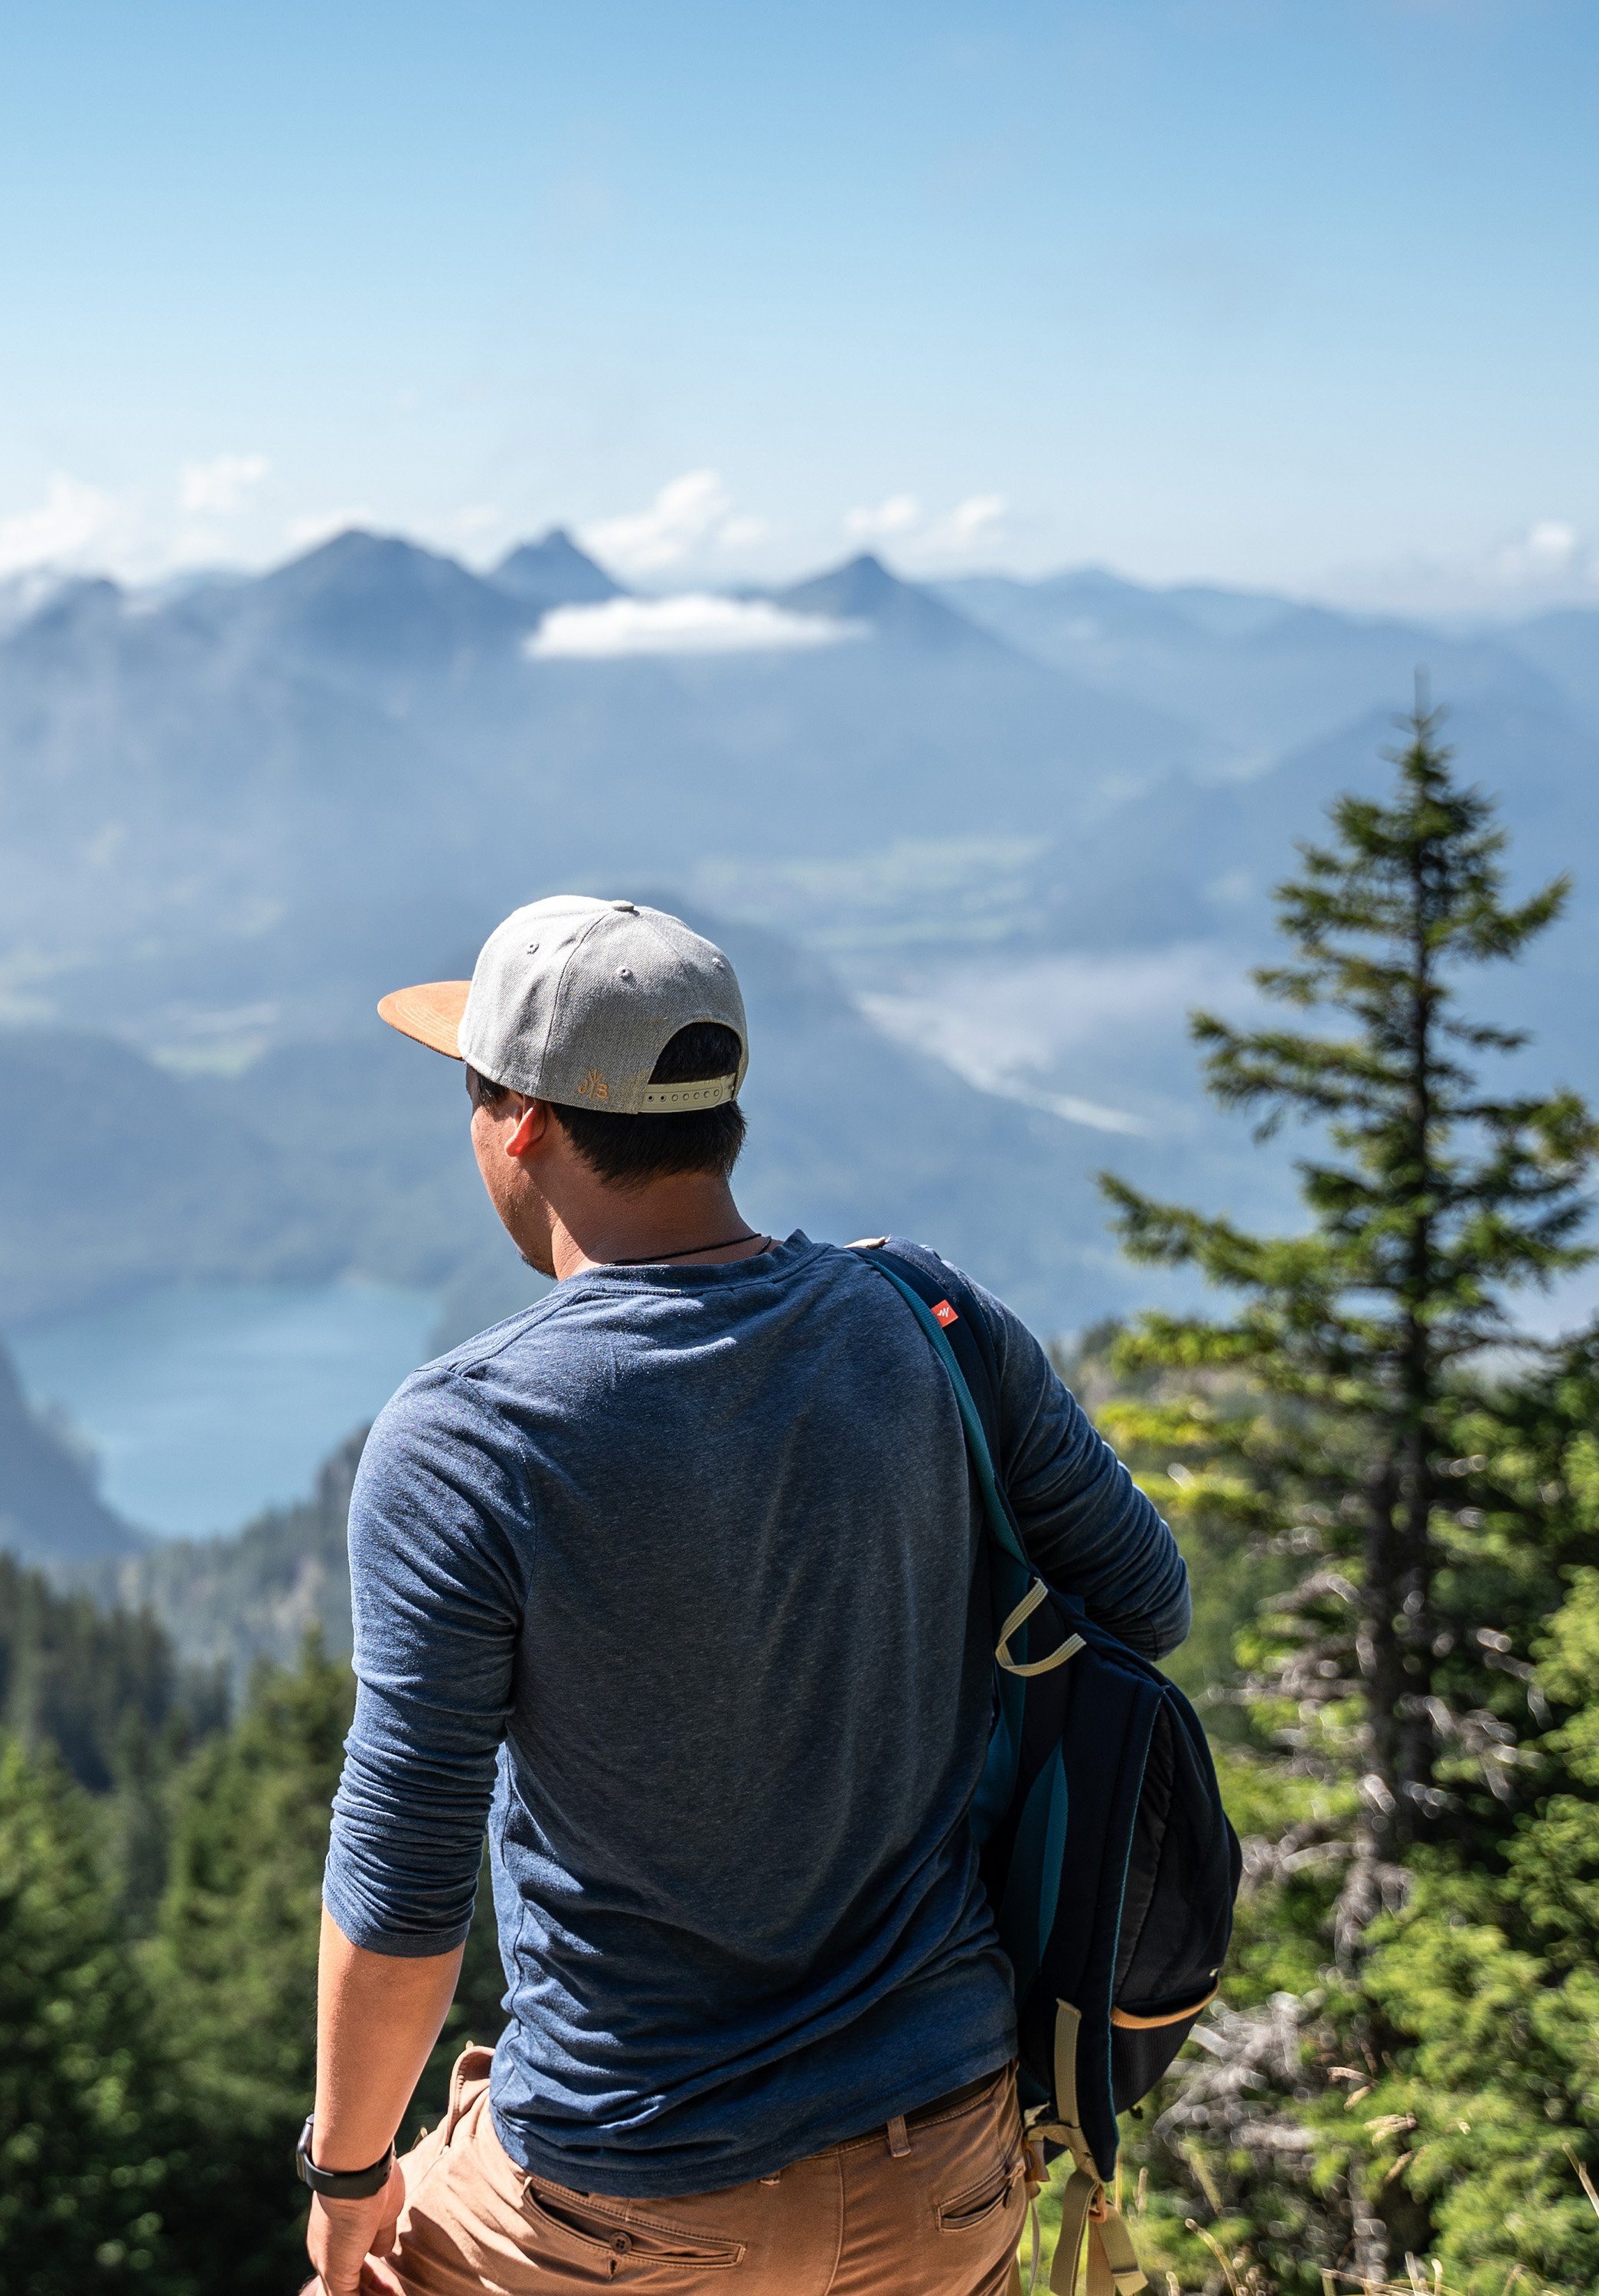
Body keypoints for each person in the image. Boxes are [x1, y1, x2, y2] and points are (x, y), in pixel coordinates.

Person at [298, 894, 1190, 2296]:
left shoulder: (470, 1436)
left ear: (520, 1119)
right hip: (945, 2168)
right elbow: (1142, 1603)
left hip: (615, 2200)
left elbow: (406, 1877)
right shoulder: (927, 1321)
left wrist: (348, 2178)